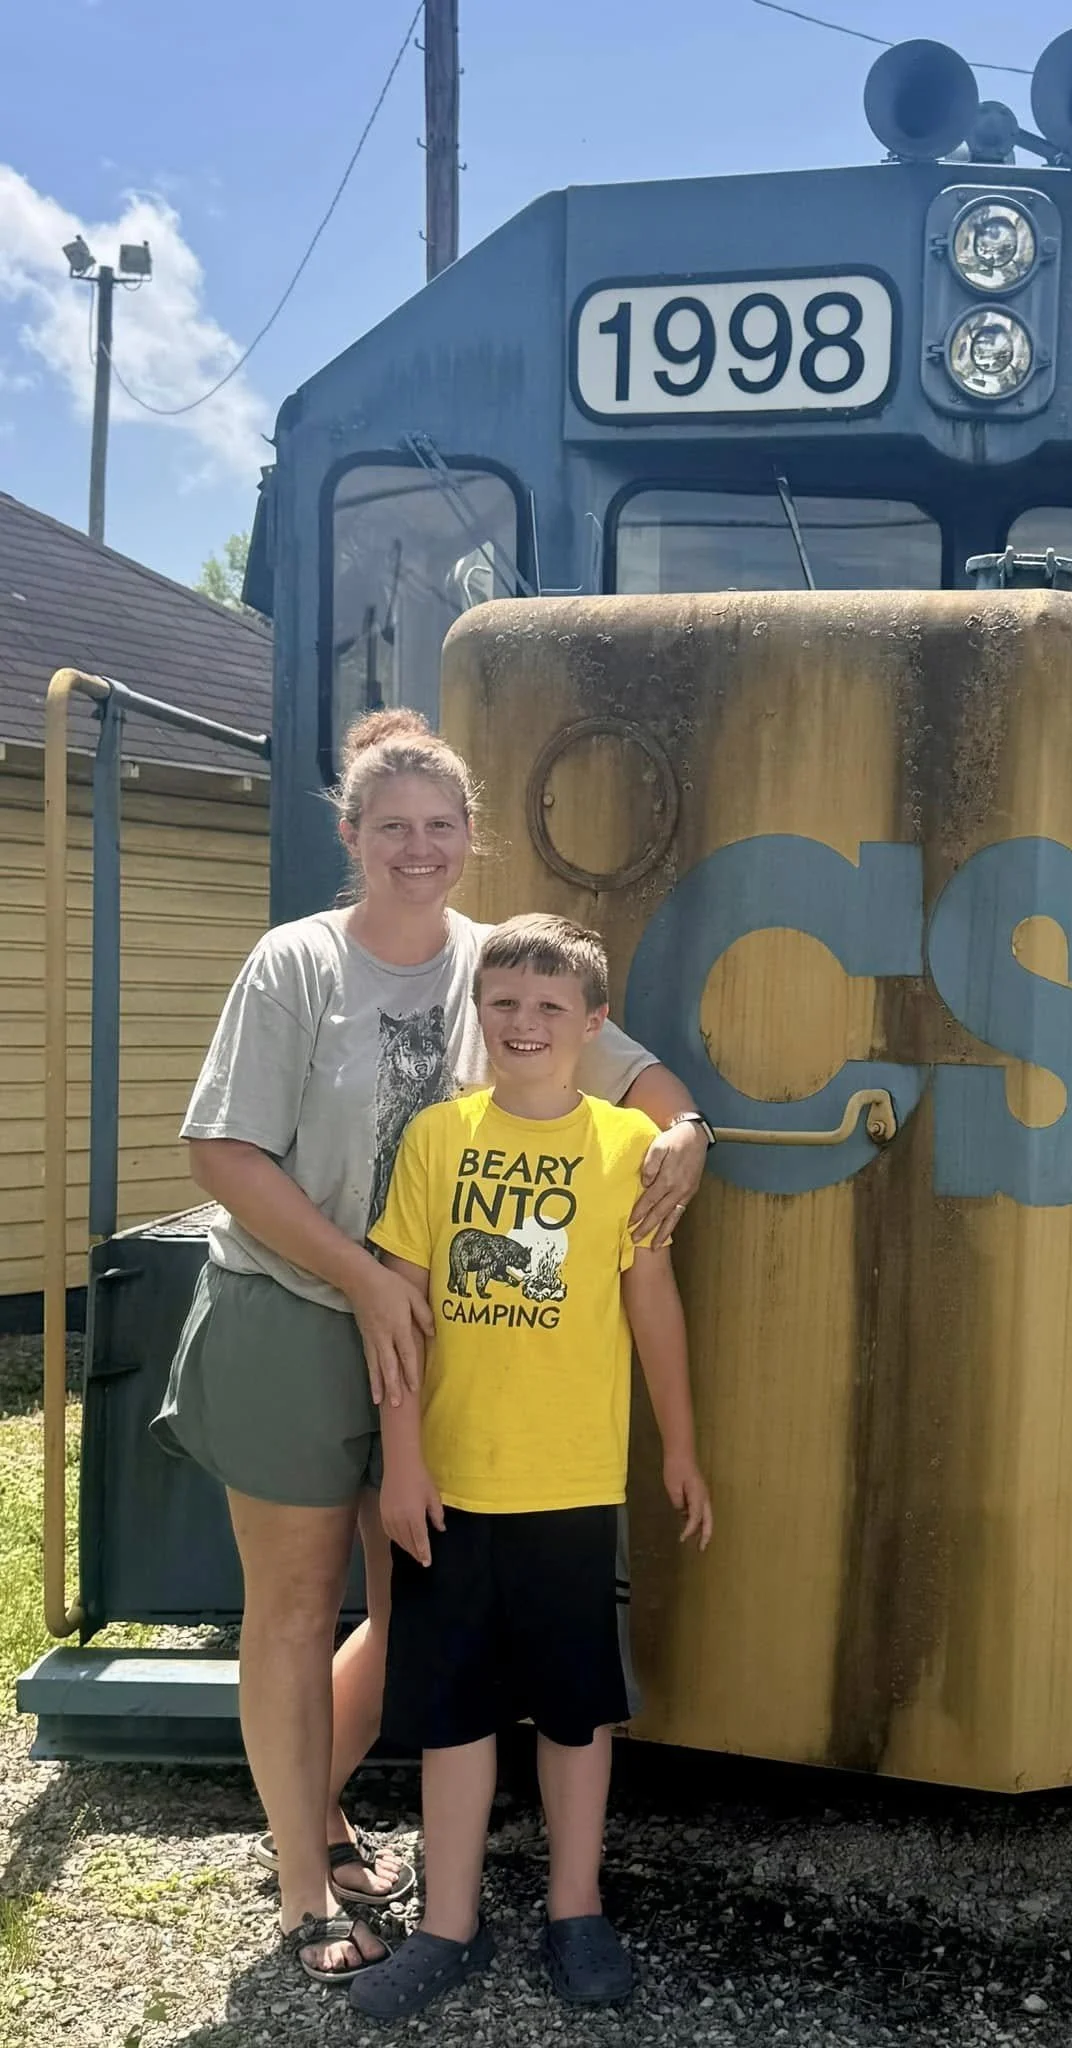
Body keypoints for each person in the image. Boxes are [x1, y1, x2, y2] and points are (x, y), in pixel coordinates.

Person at [154, 711, 712, 1984]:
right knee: (295, 1609)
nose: (417, 847)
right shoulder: (294, 963)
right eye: (390, 826)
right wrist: (358, 1272)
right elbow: (221, 1150)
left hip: (446, 1340)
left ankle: (326, 1803)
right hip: (297, 1314)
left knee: (416, 1606)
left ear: (471, 839)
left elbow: (639, 1085)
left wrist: (691, 1135)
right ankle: (306, 1884)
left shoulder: (495, 964)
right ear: (350, 836)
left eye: (440, 827)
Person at [348, 913, 712, 2020]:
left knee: (574, 1713)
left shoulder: (623, 1148)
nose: (524, 1022)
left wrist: (682, 1444)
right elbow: (399, 1312)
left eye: (550, 1006)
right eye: (503, 1001)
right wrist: (401, 1462)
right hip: (452, 1486)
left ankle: (574, 1906)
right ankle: (447, 1922)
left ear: (592, 1023)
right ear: (480, 1012)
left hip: (573, 1487)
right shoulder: (437, 1140)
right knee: (452, 1715)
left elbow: (650, 1304)